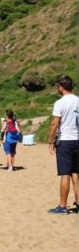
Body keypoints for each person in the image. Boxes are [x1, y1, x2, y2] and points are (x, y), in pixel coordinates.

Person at [47, 75, 79, 215]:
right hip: (77, 140)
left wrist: (50, 141)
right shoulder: (78, 101)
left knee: (65, 173)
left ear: (61, 86)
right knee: (76, 173)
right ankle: (78, 203)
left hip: (65, 141)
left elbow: (55, 123)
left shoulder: (60, 102)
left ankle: (62, 206)